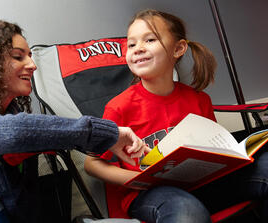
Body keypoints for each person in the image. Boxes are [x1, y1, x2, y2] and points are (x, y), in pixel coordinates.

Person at [0, 20, 148, 223]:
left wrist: (7, 166)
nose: (32, 65)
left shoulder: (16, 124)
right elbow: (11, 133)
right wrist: (106, 134)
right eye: (18, 57)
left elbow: (23, 211)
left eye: (31, 56)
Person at [84, 9, 268, 223]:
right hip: (151, 193)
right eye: (131, 44)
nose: (138, 49)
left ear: (178, 48)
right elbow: (91, 163)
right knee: (187, 212)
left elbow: (215, 152)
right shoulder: (119, 107)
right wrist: (137, 179)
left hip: (202, 186)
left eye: (150, 39)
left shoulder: (199, 100)